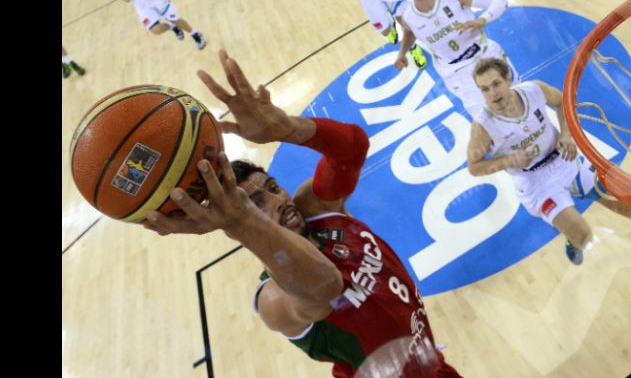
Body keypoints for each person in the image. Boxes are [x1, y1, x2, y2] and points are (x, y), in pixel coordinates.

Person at [142, 50, 462, 377]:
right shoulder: (274, 299)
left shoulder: (316, 209)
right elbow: (325, 287)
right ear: (237, 219)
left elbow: (352, 149)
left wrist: (289, 128)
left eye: (272, 187)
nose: (278, 200)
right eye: (257, 203)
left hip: (432, 365)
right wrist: (239, 221)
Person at [466, 58, 631, 266]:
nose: (492, 94)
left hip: (566, 160)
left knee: (627, 203)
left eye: (496, 84)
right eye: (484, 89)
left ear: (508, 79)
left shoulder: (533, 90)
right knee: (583, 235)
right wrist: (510, 159)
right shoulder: (483, 126)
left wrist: (567, 134)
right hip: (536, 183)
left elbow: (562, 102)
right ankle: (573, 241)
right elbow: (474, 167)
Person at [394, 0, 521, 118]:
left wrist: (482, 20)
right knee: (488, 122)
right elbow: (409, 32)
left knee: (519, 103)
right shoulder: (409, 17)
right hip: (458, 73)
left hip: (484, 55)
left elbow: (500, 2)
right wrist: (402, 54)